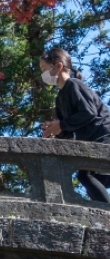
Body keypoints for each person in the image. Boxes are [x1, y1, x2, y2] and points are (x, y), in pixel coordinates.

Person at [40, 46, 110, 202]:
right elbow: (68, 133)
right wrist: (56, 130)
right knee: (94, 179)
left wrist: (62, 125)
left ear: (58, 66)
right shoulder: (59, 99)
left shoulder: (74, 85)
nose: (43, 74)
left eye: (44, 69)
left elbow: (88, 112)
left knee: (86, 175)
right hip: (91, 141)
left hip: (104, 136)